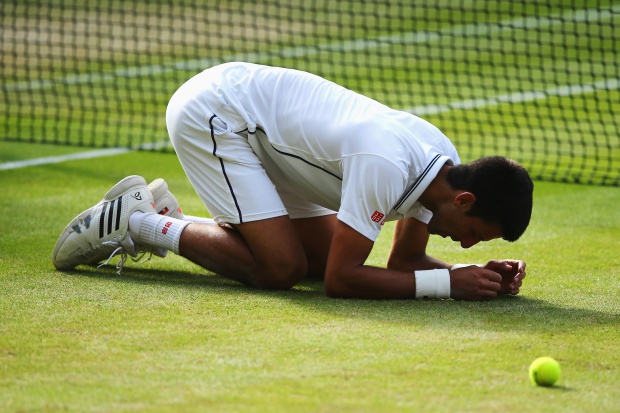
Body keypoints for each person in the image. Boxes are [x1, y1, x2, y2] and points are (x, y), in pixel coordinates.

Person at [52, 62, 534, 301]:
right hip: (217, 114)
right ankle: (141, 222)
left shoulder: (443, 166)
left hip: (268, 138)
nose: (467, 244)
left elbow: (405, 261)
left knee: (315, 258)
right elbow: (341, 281)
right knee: (281, 269)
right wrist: (448, 286)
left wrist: (474, 276)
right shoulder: (386, 165)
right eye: (473, 234)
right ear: (465, 199)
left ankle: (168, 218)